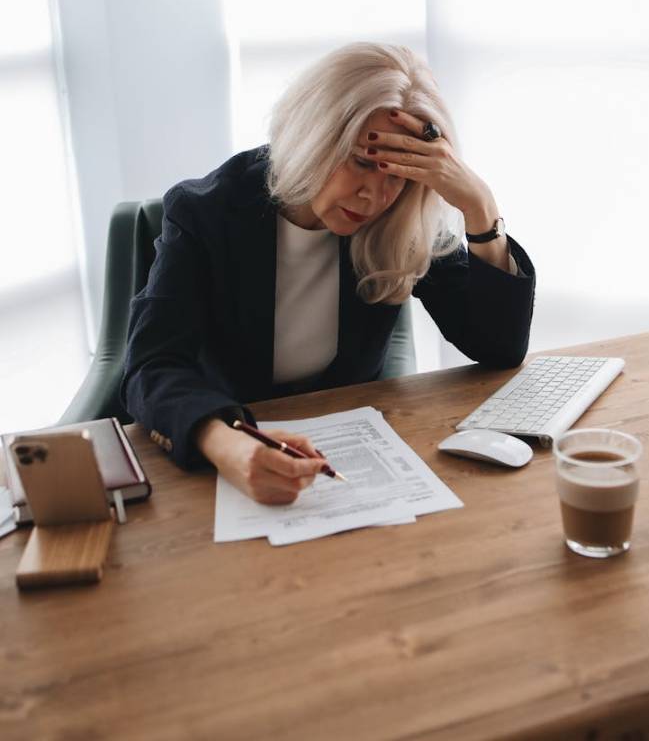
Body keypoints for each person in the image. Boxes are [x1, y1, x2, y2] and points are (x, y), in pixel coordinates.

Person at [121, 43, 535, 505]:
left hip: (350, 458)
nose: (373, 196)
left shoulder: (397, 219)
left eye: (398, 173)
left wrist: (480, 207)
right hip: (229, 455)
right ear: (314, 136)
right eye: (362, 162)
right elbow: (152, 366)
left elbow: (499, 348)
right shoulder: (206, 211)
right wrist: (226, 442)